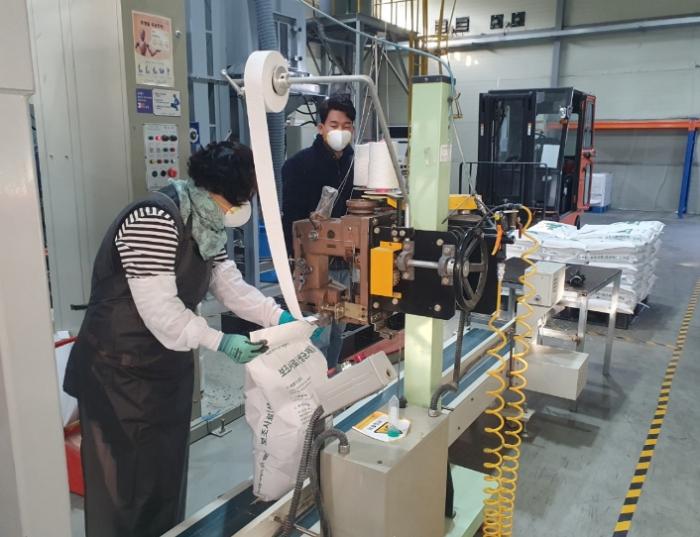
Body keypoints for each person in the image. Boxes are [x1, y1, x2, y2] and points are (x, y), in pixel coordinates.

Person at [63, 141, 299, 537]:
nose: (239, 210)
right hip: (118, 372)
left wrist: (278, 317)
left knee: (164, 477)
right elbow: (163, 313)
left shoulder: (204, 223)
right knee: (123, 488)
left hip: (163, 369)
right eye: (238, 201)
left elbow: (229, 285)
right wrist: (222, 342)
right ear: (216, 190)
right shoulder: (153, 219)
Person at [282, 94, 356, 372]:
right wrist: (294, 262)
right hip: (313, 264)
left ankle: (331, 377)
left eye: (347, 126)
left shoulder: (356, 164)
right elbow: (290, 221)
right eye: (334, 125)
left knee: (339, 329)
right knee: (318, 334)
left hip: (346, 261)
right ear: (320, 127)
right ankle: (313, 388)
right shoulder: (298, 166)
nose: (340, 132)